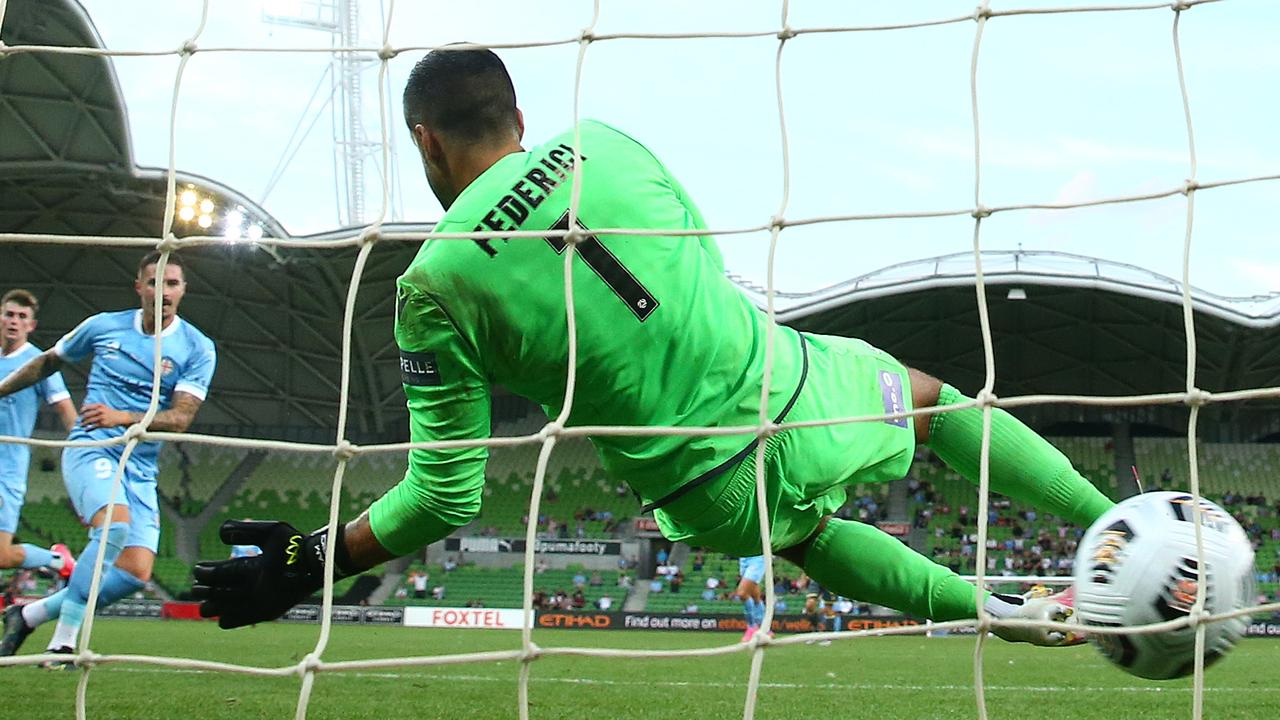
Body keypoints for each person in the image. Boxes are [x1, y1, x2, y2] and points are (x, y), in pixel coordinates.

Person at [191, 47, 1112, 646]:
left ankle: (988, 609)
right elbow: (700, 262)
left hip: (708, 496)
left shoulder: (431, 284)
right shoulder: (607, 145)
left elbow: (446, 495)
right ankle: (1112, 520)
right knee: (932, 398)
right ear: (518, 118)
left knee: (809, 536)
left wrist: (307, 564)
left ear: (425, 142)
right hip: (800, 394)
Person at [0, 252, 216, 662]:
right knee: (114, 530)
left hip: (140, 465)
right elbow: (47, 362)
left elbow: (181, 417)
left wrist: (124, 416)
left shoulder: (197, 348)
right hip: (91, 448)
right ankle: (63, 642)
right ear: (140, 288)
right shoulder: (103, 327)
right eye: (154, 283)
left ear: (183, 290)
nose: (163, 292)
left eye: (172, 284)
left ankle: (28, 615)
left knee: (135, 572)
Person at [0, 289, 79, 580]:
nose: (14, 321)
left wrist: (84, 448)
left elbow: (65, 409)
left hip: (6, 470)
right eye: (9, 314)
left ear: (31, 326)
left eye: (22, 317)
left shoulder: (39, 363)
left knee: (3, 556)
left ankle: (57, 560)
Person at [736, 555, 767, 642]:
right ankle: (764, 628)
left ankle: (752, 627)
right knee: (755, 597)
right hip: (743, 556)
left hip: (758, 557)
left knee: (742, 593)